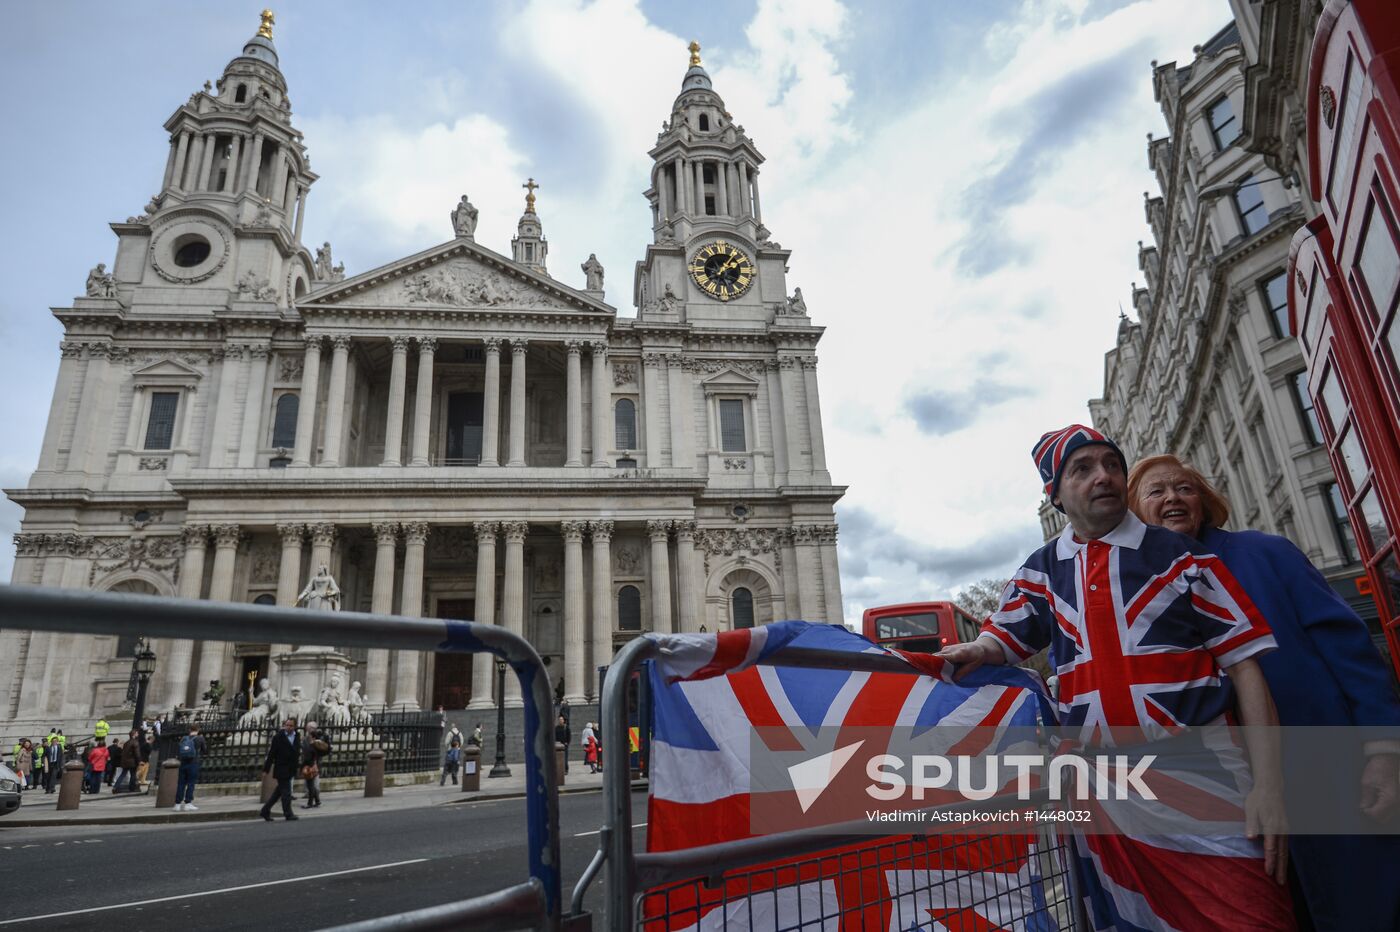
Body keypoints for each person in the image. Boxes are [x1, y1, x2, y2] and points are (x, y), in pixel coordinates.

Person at [937, 424, 1293, 930]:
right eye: (1082, 469)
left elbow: (1246, 667)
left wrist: (1270, 789)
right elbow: (1002, 640)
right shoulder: (1040, 572)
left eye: (1111, 464)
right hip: (1107, 797)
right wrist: (978, 647)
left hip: (1207, 786)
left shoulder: (1182, 556)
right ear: (1055, 494)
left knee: (1254, 919)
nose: (1103, 476)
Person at [1128, 452, 1400, 929]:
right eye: (1156, 491)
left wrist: (1384, 750)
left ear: (1204, 501)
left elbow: (1350, 650)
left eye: (1184, 488)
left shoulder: (1265, 553)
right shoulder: (1138, 593)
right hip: (1226, 802)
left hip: (1328, 776)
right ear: (1135, 514)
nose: (1173, 497)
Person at [260, 717, 301, 822]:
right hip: (281, 768)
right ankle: (288, 813)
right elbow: (272, 754)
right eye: (287, 725)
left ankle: (265, 810)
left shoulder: (297, 736)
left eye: (291, 725)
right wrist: (266, 769)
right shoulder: (278, 737)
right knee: (286, 793)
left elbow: (296, 752)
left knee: (277, 793)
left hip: (291, 768)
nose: (288, 727)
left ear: (295, 726)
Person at [175, 725, 206, 812]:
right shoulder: (200, 739)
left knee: (180, 784)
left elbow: (179, 749)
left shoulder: (184, 738)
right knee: (191, 783)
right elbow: (205, 750)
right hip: (193, 763)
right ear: (198, 730)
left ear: (189, 730)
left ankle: (177, 804)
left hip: (183, 763)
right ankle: (188, 803)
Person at [300, 721, 330, 808]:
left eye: (309, 728)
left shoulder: (312, 743)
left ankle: (310, 803)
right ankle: (317, 801)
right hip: (313, 765)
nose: (307, 729)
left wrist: (304, 765)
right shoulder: (313, 742)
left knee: (311, 785)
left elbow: (308, 756)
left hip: (311, 765)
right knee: (311, 784)